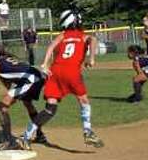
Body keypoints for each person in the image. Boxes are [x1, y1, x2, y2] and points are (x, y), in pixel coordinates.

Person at [22, 9, 103, 148]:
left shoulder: (63, 35)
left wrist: (45, 64)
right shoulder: (83, 36)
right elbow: (93, 39)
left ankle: (26, 137)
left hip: (55, 72)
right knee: (83, 101)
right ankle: (87, 131)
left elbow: (51, 47)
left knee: (50, 109)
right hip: (71, 72)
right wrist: (91, 58)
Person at [0, 43, 49, 151]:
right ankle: (40, 135)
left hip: (29, 79)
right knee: (27, 103)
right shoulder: (5, 58)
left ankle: (9, 141)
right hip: (37, 75)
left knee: (1, 107)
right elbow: (8, 86)